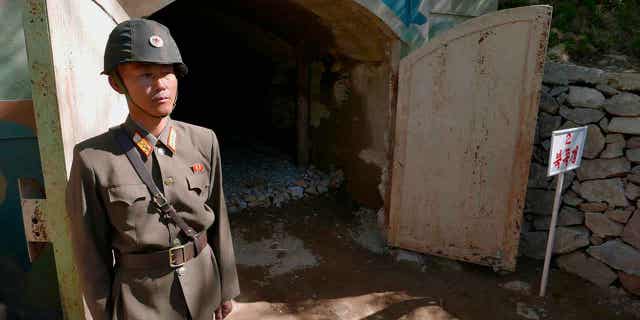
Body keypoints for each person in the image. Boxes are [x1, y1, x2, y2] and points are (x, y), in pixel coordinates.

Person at [66, 19, 239, 320]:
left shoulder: (203, 140)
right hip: (141, 302)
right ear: (117, 83)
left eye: (167, 73)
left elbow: (218, 218)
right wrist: (103, 313)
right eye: (146, 75)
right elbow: (89, 253)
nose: (161, 85)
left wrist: (225, 288)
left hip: (203, 289)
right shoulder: (93, 158)